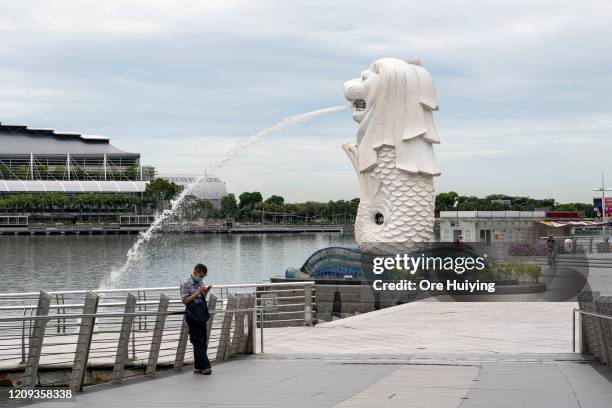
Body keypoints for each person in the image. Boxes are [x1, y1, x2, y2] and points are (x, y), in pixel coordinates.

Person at [180, 263, 212, 375]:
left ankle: (198, 366)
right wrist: (197, 292)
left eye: (203, 277)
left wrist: (205, 292)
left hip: (201, 314)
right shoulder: (185, 283)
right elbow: (184, 300)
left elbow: (201, 299)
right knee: (198, 340)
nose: (201, 278)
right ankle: (205, 366)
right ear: (196, 272)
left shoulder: (200, 282)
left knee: (203, 340)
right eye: (201, 276)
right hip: (192, 315)